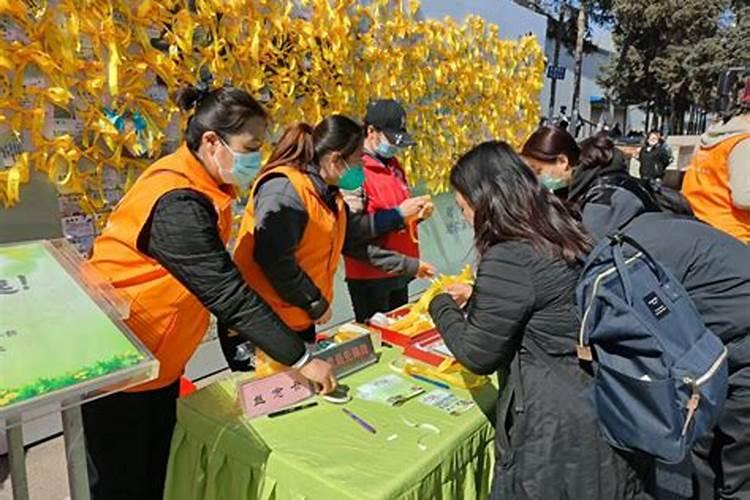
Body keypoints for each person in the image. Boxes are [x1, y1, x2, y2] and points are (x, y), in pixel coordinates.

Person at [83, 85, 337, 500]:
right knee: (123, 484)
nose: (255, 158)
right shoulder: (177, 199)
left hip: (155, 363)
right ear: (212, 142)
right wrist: (301, 358)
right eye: (250, 147)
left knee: (159, 475)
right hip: (120, 364)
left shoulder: (204, 186)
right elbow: (227, 292)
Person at [428, 140, 652, 500]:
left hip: (557, 428)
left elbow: (478, 354)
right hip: (601, 400)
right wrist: (479, 295)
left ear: (486, 201)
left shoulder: (509, 255)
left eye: (463, 207)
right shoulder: (561, 224)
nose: (465, 218)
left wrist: (440, 305)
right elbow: (544, 300)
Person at [566, 135, 750, 500]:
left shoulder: (629, 252)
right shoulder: (653, 225)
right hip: (721, 337)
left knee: (738, 463)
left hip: (741, 339)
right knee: (706, 445)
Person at [223, 115, 434, 366]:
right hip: (261, 327)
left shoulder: (331, 198)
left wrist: (411, 266)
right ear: (335, 160)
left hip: (296, 319)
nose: (361, 171)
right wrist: (314, 302)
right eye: (357, 161)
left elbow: (354, 245)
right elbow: (274, 259)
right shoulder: (285, 188)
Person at [343, 99, 434, 323]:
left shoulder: (393, 165)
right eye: (390, 139)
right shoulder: (353, 170)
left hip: (400, 269)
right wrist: (400, 215)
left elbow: (396, 214)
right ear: (371, 131)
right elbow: (352, 229)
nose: (394, 146)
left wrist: (415, 215)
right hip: (372, 275)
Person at [682, 79, 750, 243]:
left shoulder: (717, 135)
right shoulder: (745, 142)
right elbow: (744, 198)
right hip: (734, 237)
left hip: (698, 227)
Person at [520, 124, 580, 197]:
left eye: (539, 171)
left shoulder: (594, 194)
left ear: (562, 161)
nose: (537, 178)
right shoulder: (565, 191)